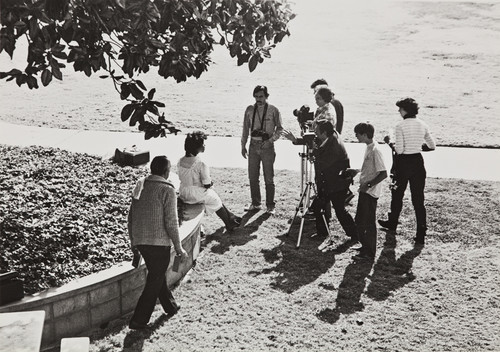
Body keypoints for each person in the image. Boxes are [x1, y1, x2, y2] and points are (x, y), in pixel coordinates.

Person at [127, 156, 188, 330]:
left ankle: (170, 306)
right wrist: (178, 247)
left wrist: (133, 242)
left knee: (157, 274)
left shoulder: (140, 184)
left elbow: (131, 217)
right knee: (155, 278)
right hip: (158, 243)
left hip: (141, 241)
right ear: (166, 172)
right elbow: (171, 221)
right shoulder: (167, 189)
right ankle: (138, 320)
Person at [378, 98, 436, 245]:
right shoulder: (423, 124)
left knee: (397, 195)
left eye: (400, 109)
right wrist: (416, 146)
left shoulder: (400, 126)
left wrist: (390, 142)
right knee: (418, 199)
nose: (399, 111)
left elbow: (399, 150)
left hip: (403, 164)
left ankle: (393, 222)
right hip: (417, 162)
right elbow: (432, 146)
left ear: (406, 110)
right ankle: (421, 231)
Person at [287, 120, 357, 241]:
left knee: (339, 210)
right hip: (327, 181)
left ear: (324, 133)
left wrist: (313, 153)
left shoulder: (334, 146)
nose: (315, 134)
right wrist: (295, 140)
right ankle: (322, 233)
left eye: (317, 132)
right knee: (319, 206)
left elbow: (323, 163)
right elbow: (313, 140)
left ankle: (355, 235)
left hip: (336, 183)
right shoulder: (329, 135)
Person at [178, 131, 241, 231]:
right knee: (215, 200)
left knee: (213, 194)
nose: (204, 146)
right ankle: (229, 222)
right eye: (203, 144)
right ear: (197, 147)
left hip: (184, 192)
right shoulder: (200, 163)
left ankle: (231, 216)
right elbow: (206, 183)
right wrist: (210, 183)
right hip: (195, 194)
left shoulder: (180, 161)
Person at [241, 85, 283, 214]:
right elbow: (245, 129)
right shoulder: (249, 110)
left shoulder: (273, 110)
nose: (258, 99)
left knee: (268, 178)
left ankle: (270, 205)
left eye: (261, 96)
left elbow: (280, 129)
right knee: (253, 177)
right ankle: (255, 203)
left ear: (267, 96)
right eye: (256, 96)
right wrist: (243, 145)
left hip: (267, 147)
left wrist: (270, 140)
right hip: (253, 146)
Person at [352, 123, 387, 261]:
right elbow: (369, 168)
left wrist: (369, 185)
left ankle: (369, 252)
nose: (356, 136)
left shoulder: (375, 151)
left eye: (357, 134)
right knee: (360, 220)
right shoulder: (369, 147)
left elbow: (383, 173)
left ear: (365, 135)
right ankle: (364, 246)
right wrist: (356, 171)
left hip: (370, 192)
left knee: (367, 222)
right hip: (365, 190)